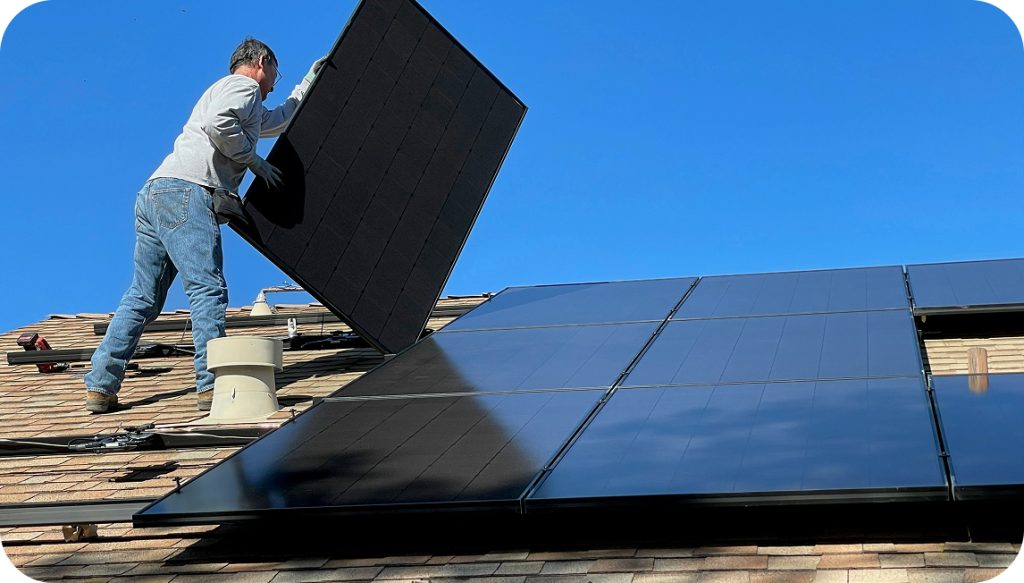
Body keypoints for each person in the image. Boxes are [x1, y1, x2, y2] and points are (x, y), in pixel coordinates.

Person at [84, 38, 327, 413]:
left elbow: (277, 121)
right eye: (277, 72)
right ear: (262, 62)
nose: (276, 82)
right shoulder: (243, 87)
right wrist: (253, 162)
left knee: (142, 297)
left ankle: (100, 384)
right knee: (207, 288)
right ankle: (211, 386)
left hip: (155, 193)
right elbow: (219, 125)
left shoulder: (231, 94)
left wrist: (308, 82)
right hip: (188, 191)